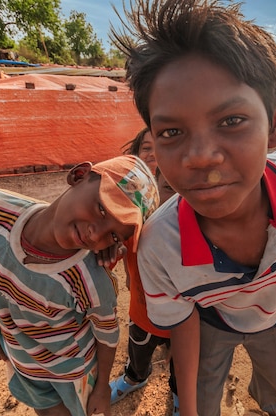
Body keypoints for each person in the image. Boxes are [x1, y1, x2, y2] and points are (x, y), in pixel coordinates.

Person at [111, 1, 276, 416]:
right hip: (212, 323)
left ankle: (273, 405)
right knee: (204, 390)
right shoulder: (159, 247)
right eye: (172, 131)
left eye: (231, 120)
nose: (201, 157)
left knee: (274, 375)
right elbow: (182, 323)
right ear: (153, 143)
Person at [0, 155, 159, 416]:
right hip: (22, 359)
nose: (96, 234)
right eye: (102, 209)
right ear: (79, 175)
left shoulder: (91, 278)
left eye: (113, 235)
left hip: (72, 374)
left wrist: (102, 387)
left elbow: (107, 334)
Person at [110, 129, 180, 415]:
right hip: (142, 310)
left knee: (183, 361)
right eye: (146, 148)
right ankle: (135, 377)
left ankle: (180, 393)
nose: (153, 154)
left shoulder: (192, 221)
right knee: (139, 348)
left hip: (183, 319)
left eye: (161, 146)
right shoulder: (130, 215)